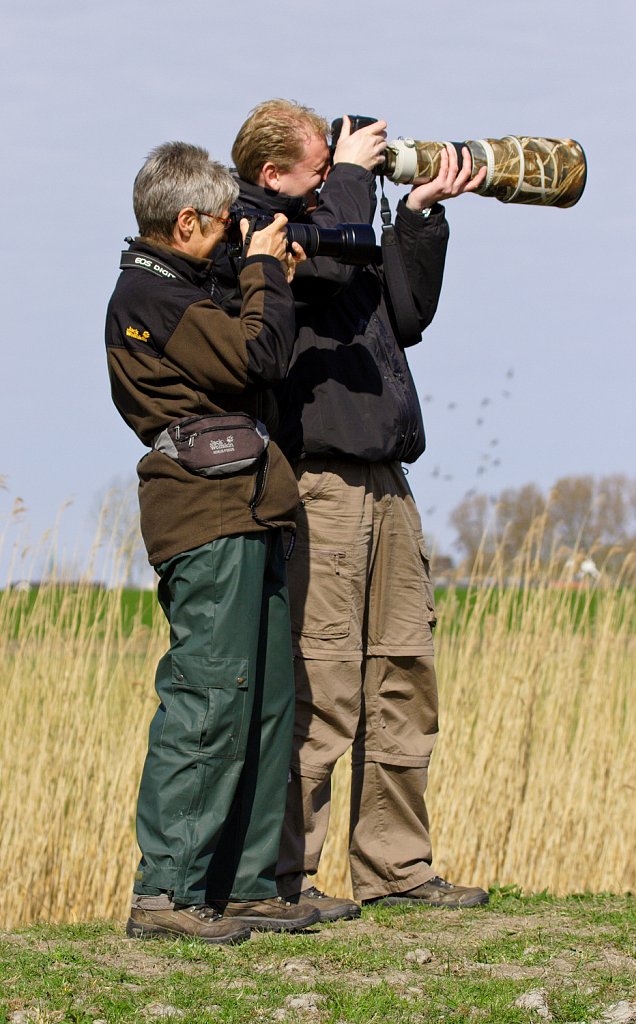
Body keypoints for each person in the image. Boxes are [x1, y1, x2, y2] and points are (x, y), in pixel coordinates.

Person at [215, 100, 490, 922]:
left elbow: (405, 315)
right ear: (275, 174)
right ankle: (284, 877)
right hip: (318, 483)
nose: (340, 167)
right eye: (322, 160)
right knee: (324, 683)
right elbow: (321, 276)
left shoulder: (337, 219)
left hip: (386, 479)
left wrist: (416, 216)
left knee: (403, 672)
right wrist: (347, 180)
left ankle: (398, 867)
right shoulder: (256, 229)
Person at [105, 141, 321, 944]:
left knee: (262, 702)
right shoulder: (150, 295)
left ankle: (245, 885)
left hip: (247, 507)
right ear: (187, 219)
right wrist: (263, 275)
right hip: (206, 513)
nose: (238, 230)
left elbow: (249, 363)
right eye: (227, 219)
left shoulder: (189, 287)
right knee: (208, 700)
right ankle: (166, 894)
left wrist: (270, 272)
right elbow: (258, 355)